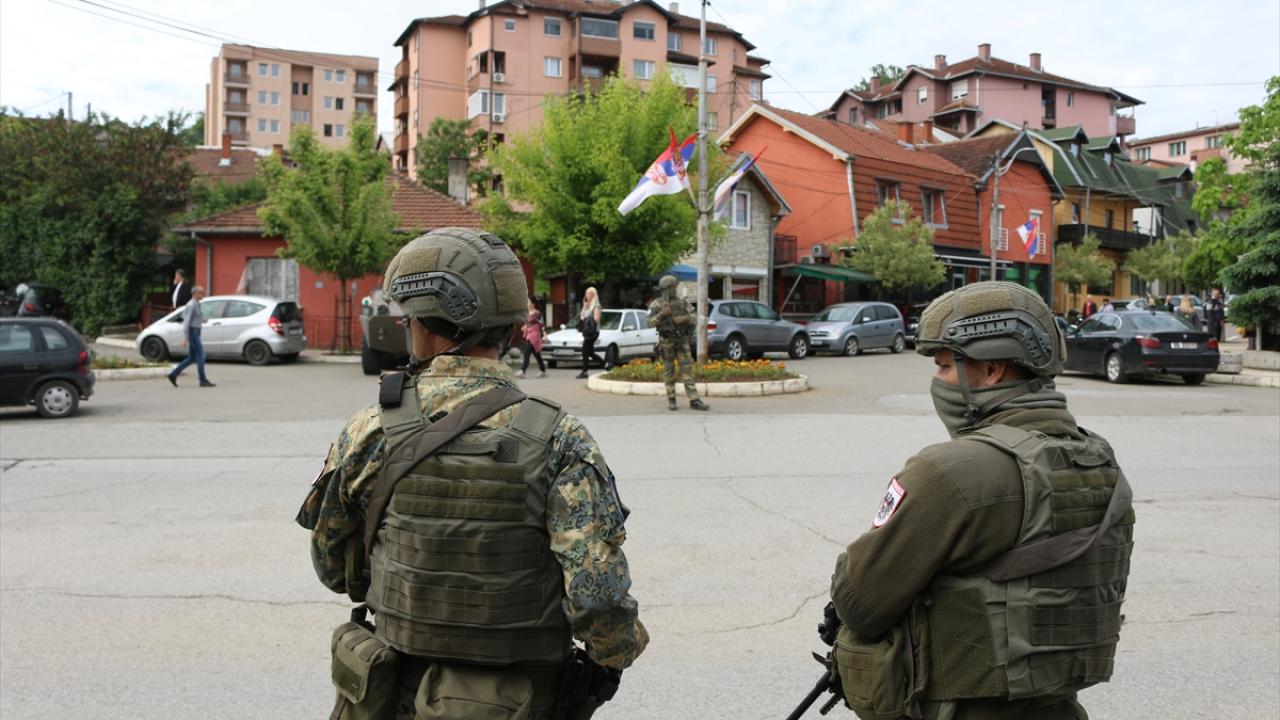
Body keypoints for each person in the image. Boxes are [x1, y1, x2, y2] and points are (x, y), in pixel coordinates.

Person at [296, 228, 647, 720]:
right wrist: (616, 653)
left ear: (423, 325)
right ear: (509, 326)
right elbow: (598, 598)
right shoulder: (560, 437)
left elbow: (333, 568)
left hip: (397, 692)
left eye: (409, 318)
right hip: (523, 700)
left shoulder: (369, 429)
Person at [828, 281, 1133, 720]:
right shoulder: (1100, 462)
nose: (938, 382)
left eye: (944, 366)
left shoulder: (951, 471)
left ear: (992, 370)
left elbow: (860, 603)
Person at [647, 275, 709, 412]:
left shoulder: (682, 302)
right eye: (673, 287)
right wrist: (661, 315)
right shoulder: (656, 304)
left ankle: (694, 399)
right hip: (666, 342)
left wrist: (684, 318)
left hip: (681, 340)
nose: (675, 290)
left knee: (687, 369)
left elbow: (694, 317)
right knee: (669, 371)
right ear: (666, 288)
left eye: (675, 287)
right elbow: (649, 323)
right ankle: (671, 399)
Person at [166, 286, 214, 388]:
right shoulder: (191, 305)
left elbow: (192, 317)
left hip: (196, 331)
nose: (203, 294)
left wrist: (202, 320)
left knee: (192, 357)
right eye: (201, 293)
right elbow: (186, 321)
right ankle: (203, 380)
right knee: (201, 356)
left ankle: (173, 374)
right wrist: (186, 337)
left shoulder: (197, 304)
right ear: (195, 293)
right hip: (193, 332)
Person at [576, 286, 604, 379]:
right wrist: (584, 306)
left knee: (585, 350)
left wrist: (586, 318)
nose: (586, 295)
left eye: (587, 294)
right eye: (585, 294)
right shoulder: (588, 305)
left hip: (593, 332)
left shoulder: (596, 305)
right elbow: (581, 316)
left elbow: (596, 318)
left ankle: (585, 372)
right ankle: (606, 364)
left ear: (592, 294)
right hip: (587, 332)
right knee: (590, 352)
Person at [518, 296, 547, 378]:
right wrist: (525, 326)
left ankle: (522, 371)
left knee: (526, 352)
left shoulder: (537, 313)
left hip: (534, 335)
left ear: (533, 304)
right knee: (536, 353)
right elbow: (528, 323)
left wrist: (545, 335)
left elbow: (542, 324)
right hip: (528, 334)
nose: (527, 303)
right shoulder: (528, 313)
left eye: (528, 302)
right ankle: (543, 369)